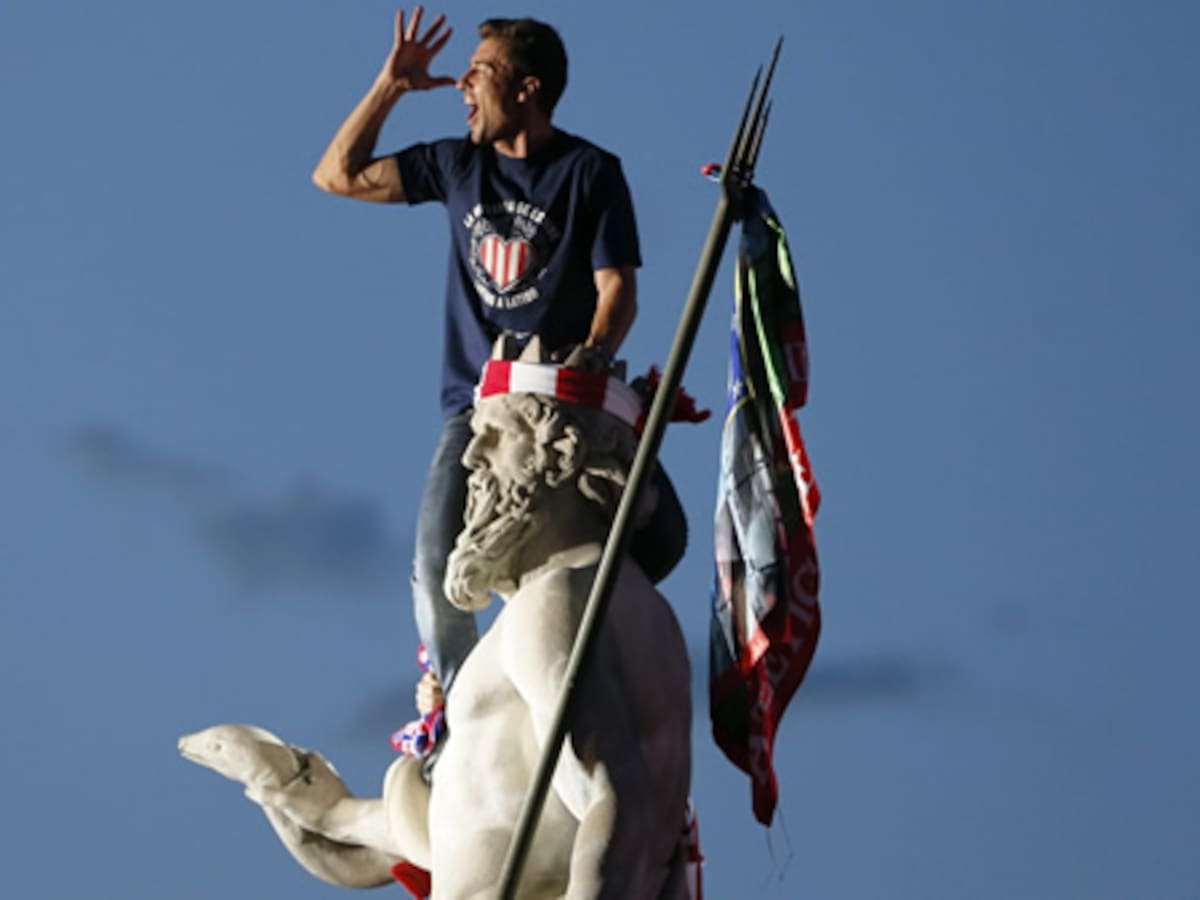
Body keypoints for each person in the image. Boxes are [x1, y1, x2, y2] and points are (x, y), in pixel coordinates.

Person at [312, 8, 684, 699]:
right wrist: (390, 85)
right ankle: (457, 714)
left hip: (564, 400)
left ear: (526, 88)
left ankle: (590, 642)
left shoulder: (590, 172)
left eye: (478, 71)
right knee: (433, 566)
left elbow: (616, 292)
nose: (461, 84)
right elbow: (336, 175)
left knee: (666, 537)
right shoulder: (457, 164)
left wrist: (592, 360)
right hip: (478, 410)